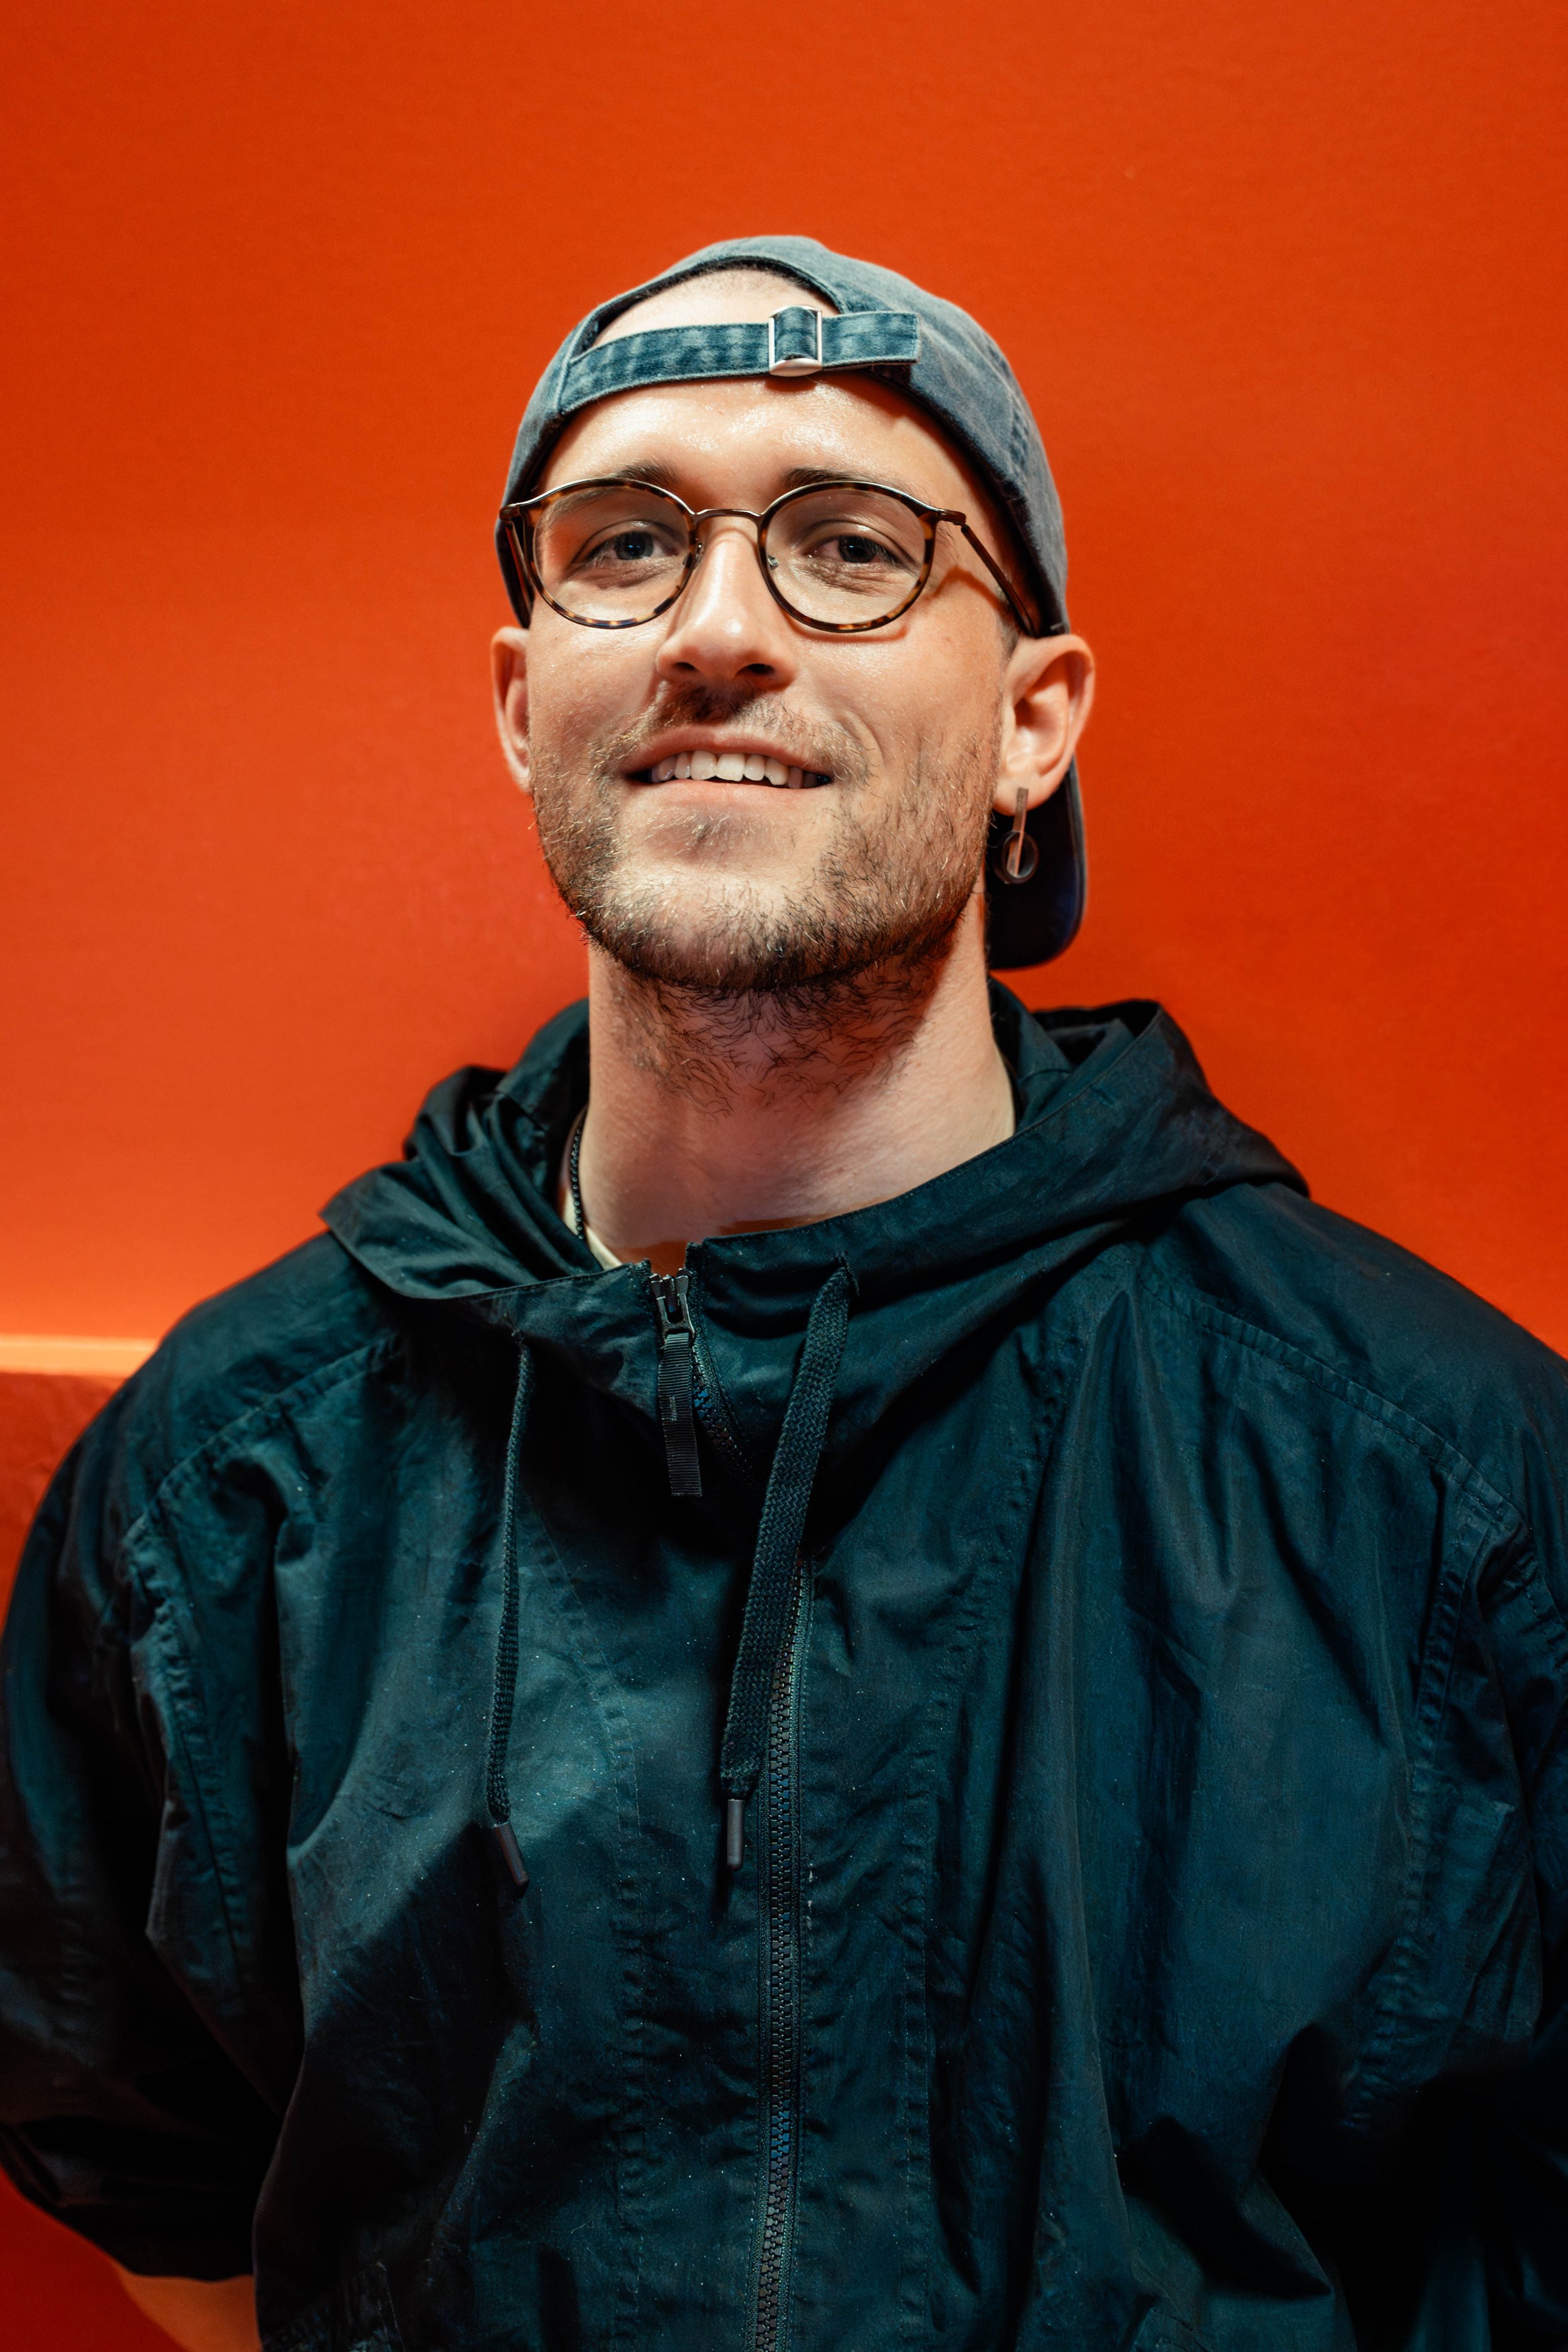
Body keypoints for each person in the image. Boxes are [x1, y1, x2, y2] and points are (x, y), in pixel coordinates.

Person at [1, 235, 1565, 2352]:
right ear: (516, 697)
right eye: (623, 545)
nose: (717, 631)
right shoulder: (224, 1482)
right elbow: (157, 2180)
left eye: (849, 547)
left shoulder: (1444, 1482)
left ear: (1031, 724)